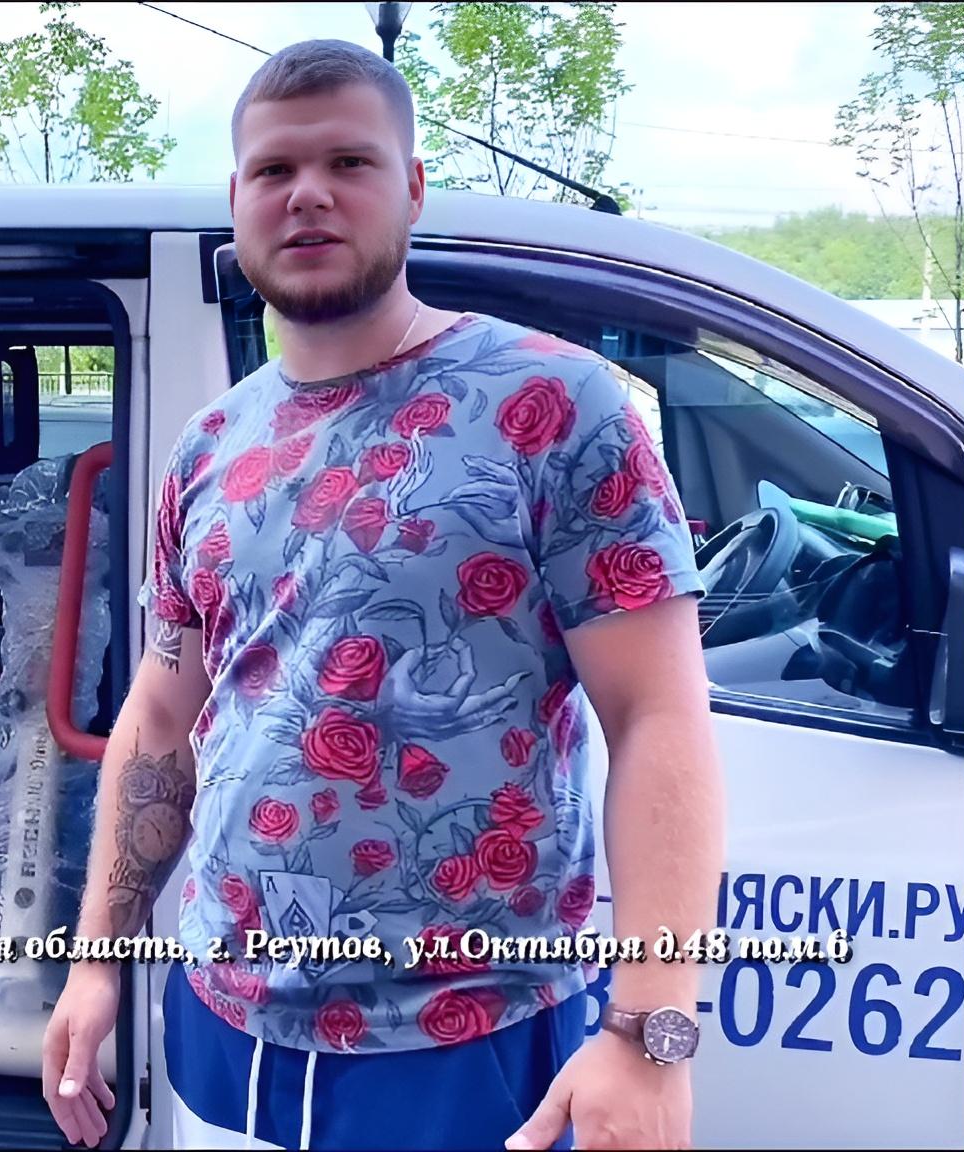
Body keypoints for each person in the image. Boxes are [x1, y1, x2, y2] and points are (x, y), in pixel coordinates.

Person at [40, 39, 724, 1151]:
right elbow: (163, 717)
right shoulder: (210, 446)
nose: (306, 193)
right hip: (224, 1026)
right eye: (274, 170)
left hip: (465, 1044)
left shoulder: (552, 406)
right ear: (236, 202)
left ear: (411, 187)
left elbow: (657, 716)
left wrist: (651, 1033)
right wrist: (94, 964)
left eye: (348, 162)